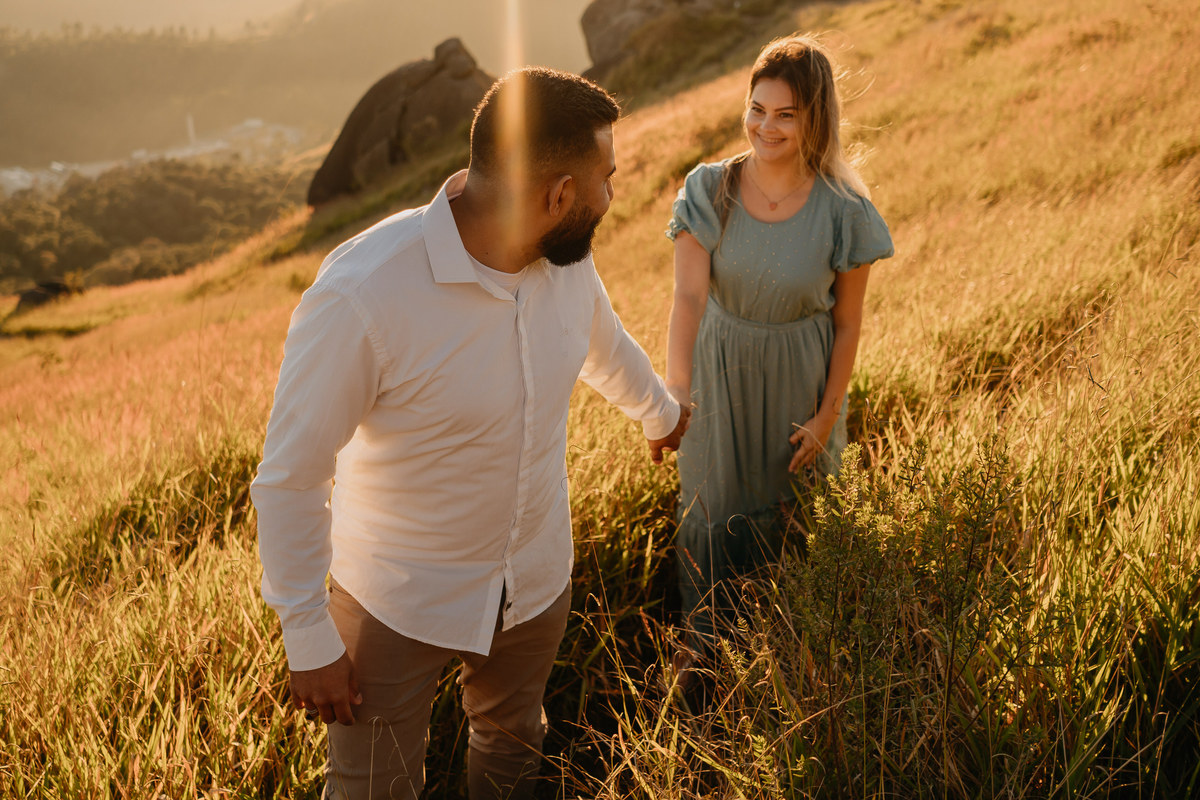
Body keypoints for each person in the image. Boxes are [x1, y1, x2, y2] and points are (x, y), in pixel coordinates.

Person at [251, 66, 690, 800]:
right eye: (605, 180)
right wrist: (306, 631)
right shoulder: (364, 293)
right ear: (557, 196)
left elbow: (602, 346)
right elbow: (292, 474)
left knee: (515, 749)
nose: (612, 197)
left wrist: (662, 413)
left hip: (535, 583)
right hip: (396, 601)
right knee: (372, 791)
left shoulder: (565, 266)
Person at [664, 35, 894, 647]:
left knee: (797, 526)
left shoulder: (845, 210)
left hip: (801, 390)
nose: (765, 127)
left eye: (785, 114)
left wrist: (826, 415)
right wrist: (676, 391)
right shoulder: (710, 189)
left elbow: (848, 323)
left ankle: (796, 656)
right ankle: (705, 661)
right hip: (717, 385)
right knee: (712, 518)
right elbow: (687, 297)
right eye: (757, 109)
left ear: (814, 117)